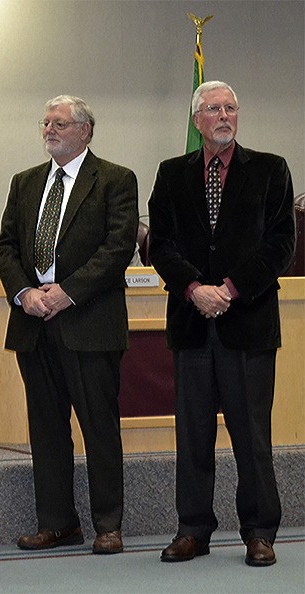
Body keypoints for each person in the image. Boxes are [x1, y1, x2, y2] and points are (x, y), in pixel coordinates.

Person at [148, 81, 295, 567]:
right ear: (197, 120)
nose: (224, 115)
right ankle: (193, 529)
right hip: (191, 326)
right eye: (214, 108)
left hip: (247, 325)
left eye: (231, 107)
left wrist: (228, 290)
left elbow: (280, 246)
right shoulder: (171, 174)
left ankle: (258, 531)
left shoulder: (271, 170)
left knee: (252, 435)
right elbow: (160, 245)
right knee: (192, 435)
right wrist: (194, 289)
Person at [0, 95, 138, 554]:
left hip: (89, 323)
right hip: (34, 324)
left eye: (60, 123)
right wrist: (25, 293)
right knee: (46, 428)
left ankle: (107, 524)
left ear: (85, 131)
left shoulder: (114, 179)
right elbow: (6, 246)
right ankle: (57, 523)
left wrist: (66, 291)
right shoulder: (25, 182)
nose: (49, 130)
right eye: (46, 123)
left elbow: (118, 249)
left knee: (99, 426)